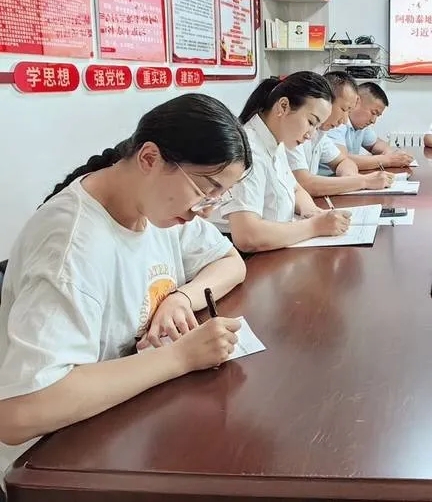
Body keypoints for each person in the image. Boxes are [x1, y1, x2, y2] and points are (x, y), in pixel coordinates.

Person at [0, 94, 251, 485]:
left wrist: (181, 297)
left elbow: (230, 261)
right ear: (150, 158)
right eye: (206, 189)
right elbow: (20, 412)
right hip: (56, 464)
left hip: (126, 420)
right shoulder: (72, 245)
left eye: (219, 196)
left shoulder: (156, 209)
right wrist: (181, 357)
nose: (208, 209)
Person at [211, 72, 352, 253]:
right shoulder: (249, 150)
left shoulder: (276, 141)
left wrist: (312, 212)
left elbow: (295, 188)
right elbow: (248, 236)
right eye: (311, 122)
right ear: (283, 106)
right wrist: (315, 226)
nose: (310, 135)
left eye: (317, 127)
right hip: (243, 257)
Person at [287, 72, 394, 196]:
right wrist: (363, 181)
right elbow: (305, 184)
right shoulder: (294, 132)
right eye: (344, 109)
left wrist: (350, 179)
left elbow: (344, 161)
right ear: (326, 101)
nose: (344, 120)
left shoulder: (320, 134)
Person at [326, 82, 415, 170]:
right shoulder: (336, 122)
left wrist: (390, 154)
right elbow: (342, 160)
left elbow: (376, 143)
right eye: (373, 113)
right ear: (356, 101)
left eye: (377, 115)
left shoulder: (360, 126)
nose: (373, 121)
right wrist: (388, 160)